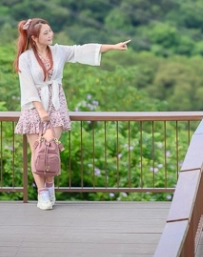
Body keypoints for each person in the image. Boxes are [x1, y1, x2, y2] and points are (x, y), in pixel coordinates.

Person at [13, 17, 130, 210]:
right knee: (37, 151)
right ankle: (42, 194)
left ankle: (50, 188)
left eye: (50, 31)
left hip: (56, 105)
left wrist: (113, 47)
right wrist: (41, 110)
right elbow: (27, 86)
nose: (51, 35)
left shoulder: (58, 51)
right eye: (46, 33)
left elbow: (81, 50)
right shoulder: (25, 58)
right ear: (34, 38)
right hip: (34, 108)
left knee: (50, 148)